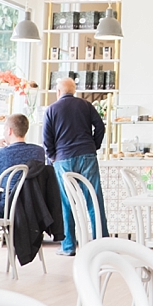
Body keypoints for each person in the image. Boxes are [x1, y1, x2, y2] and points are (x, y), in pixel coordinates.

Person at [43, 77, 108, 256]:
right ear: (74, 90)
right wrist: (94, 145)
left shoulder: (51, 110)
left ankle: (69, 246)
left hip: (63, 160)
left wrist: (53, 156)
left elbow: (46, 140)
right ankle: (101, 245)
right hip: (87, 155)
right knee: (94, 201)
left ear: (58, 91)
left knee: (65, 203)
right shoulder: (86, 105)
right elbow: (100, 127)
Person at [0, 113, 46, 218]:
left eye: (4, 129)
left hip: (8, 207)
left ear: (9, 130)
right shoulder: (39, 152)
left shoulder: (2, 154)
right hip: (33, 207)